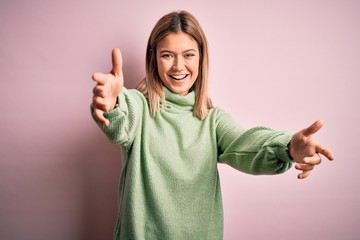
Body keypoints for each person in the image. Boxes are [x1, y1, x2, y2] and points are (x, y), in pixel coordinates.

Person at [91, 10, 334, 240]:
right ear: (153, 58)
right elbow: (120, 123)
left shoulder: (212, 120)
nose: (178, 66)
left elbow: (248, 143)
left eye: (188, 55)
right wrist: (111, 103)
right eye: (167, 55)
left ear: (201, 58)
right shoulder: (140, 107)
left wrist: (289, 147)